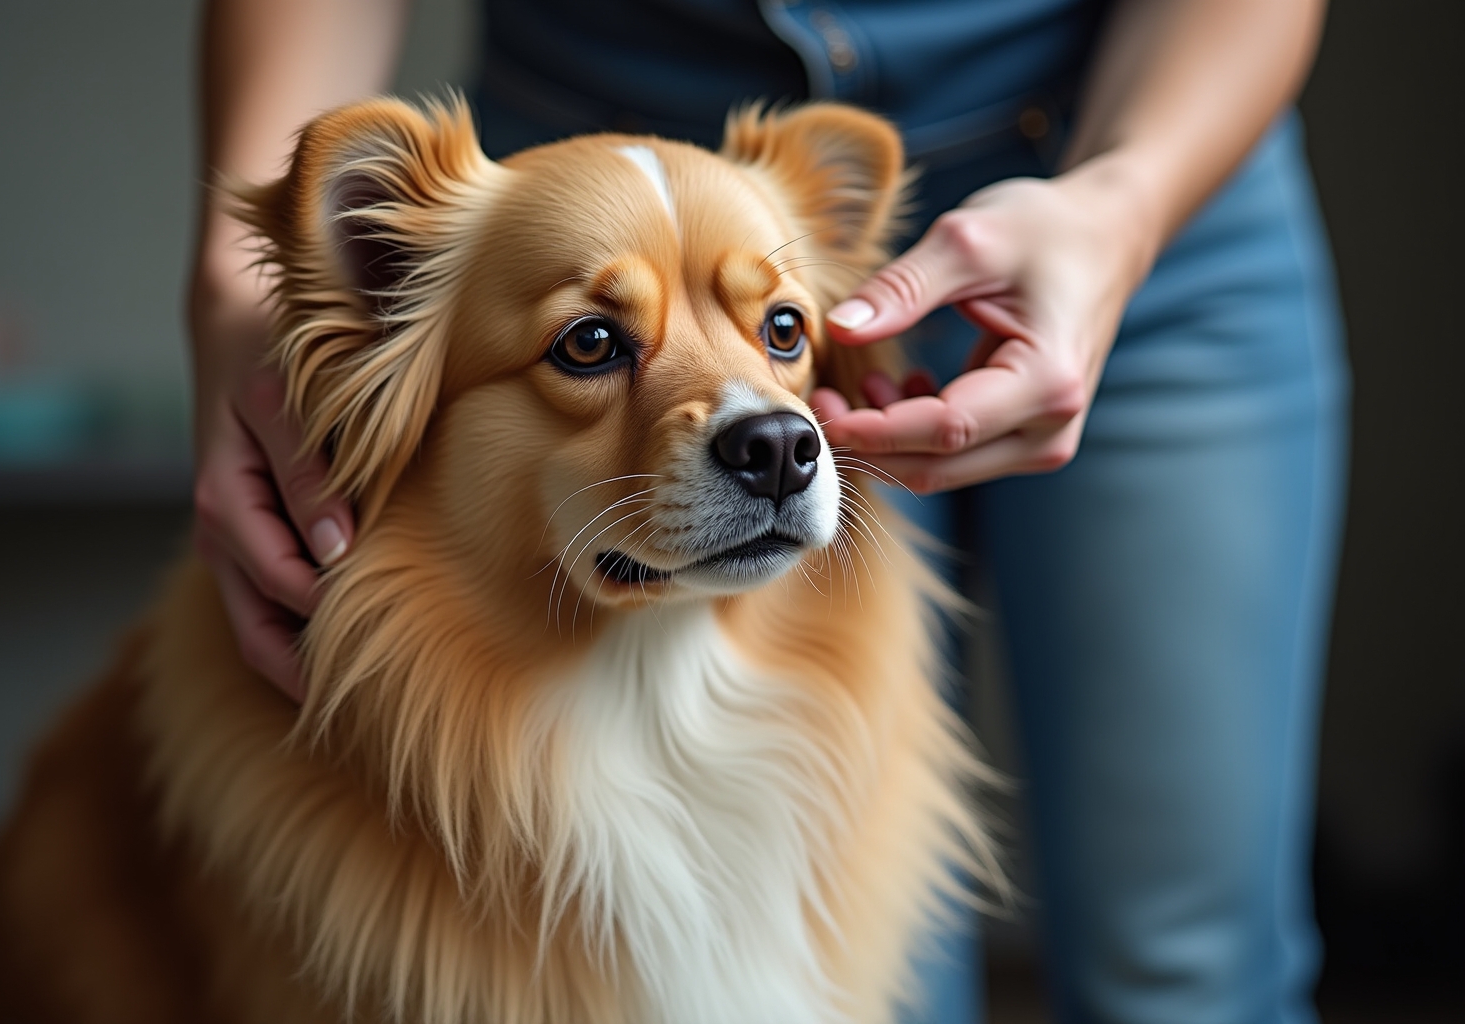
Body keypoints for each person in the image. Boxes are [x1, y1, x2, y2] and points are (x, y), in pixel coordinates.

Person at [188, 1, 1348, 1020]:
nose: (763, 418)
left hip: (1159, 172)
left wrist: (1122, 206)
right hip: (587, 121)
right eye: (593, 344)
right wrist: (239, 298)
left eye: (776, 331)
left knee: (1194, 975)